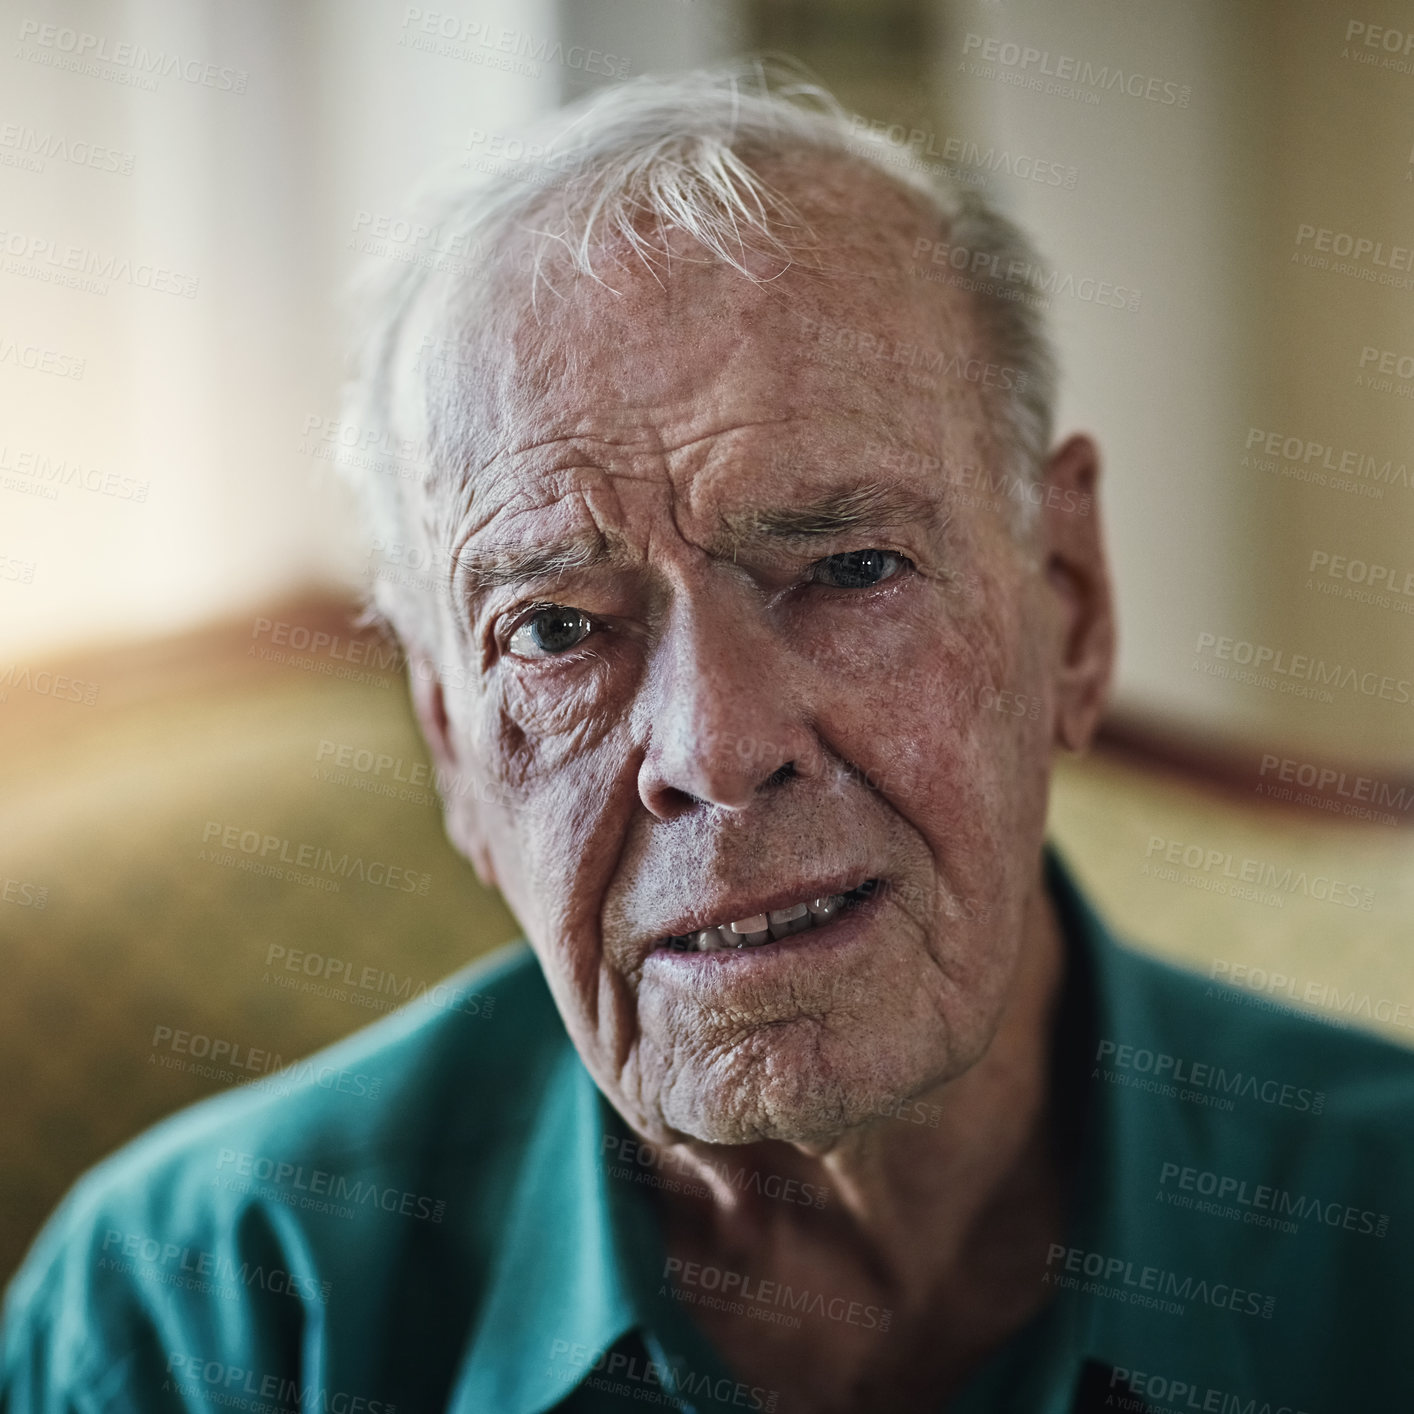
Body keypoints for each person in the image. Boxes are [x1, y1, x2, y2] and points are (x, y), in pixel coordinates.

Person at [3, 61, 1412, 1414]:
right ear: (451, 747)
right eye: (556, 629)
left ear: (1070, 606)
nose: (717, 747)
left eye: (849, 568)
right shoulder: (192, 1320)